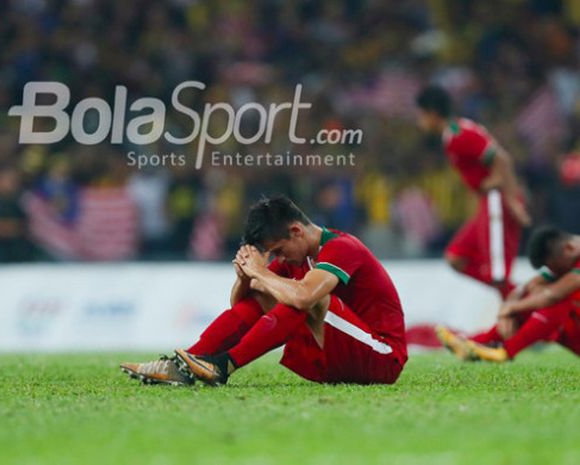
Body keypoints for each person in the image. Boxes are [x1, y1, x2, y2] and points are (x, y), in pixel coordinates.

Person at [121, 196, 407, 386]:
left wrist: (260, 271)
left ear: (296, 231)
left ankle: (224, 366)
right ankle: (181, 365)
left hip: (382, 356)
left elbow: (306, 297)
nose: (280, 259)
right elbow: (243, 306)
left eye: (280, 251)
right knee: (276, 293)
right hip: (336, 358)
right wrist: (245, 278)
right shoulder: (295, 255)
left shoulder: (343, 247)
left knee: (307, 296)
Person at [415, 85, 531, 299]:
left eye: (420, 115)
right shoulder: (453, 134)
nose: (419, 122)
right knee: (455, 257)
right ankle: (519, 296)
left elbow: (501, 159)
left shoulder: (460, 135)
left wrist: (513, 202)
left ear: (431, 113)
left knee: (497, 273)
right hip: (487, 203)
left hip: (498, 200)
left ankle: (518, 307)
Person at [437, 226, 580, 362]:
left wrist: (511, 308)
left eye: (556, 268)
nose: (555, 271)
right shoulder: (570, 256)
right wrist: (507, 312)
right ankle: (477, 343)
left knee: (557, 300)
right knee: (537, 296)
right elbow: (526, 287)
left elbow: (553, 295)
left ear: (569, 249)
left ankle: (506, 351)